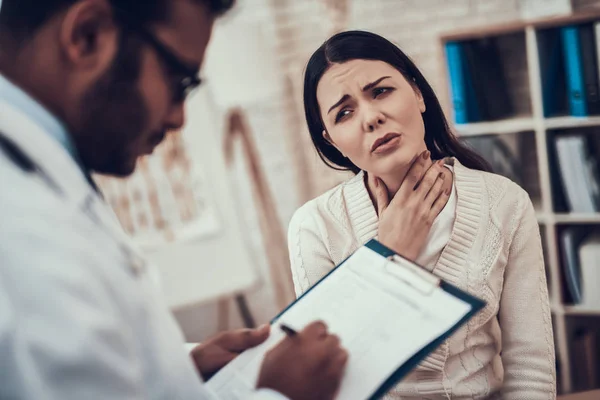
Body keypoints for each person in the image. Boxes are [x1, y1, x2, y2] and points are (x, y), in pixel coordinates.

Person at [0, 1, 349, 399]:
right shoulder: (18, 232)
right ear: (88, 36)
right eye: (178, 80)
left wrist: (175, 368)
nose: (179, 118)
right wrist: (282, 394)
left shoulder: (42, 175)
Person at [288, 30, 556, 399]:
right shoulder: (314, 227)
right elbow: (331, 387)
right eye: (344, 113)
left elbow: (530, 368)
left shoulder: (505, 203)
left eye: (380, 91)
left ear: (416, 93)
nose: (371, 118)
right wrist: (389, 254)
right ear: (332, 140)